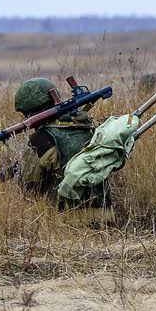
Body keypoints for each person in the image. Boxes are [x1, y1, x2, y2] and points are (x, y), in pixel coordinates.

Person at [16, 77, 109, 214]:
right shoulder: (91, 125)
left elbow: (29, 192)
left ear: (30, 112)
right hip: (105, 217)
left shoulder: (41, 139)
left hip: (64, 224)